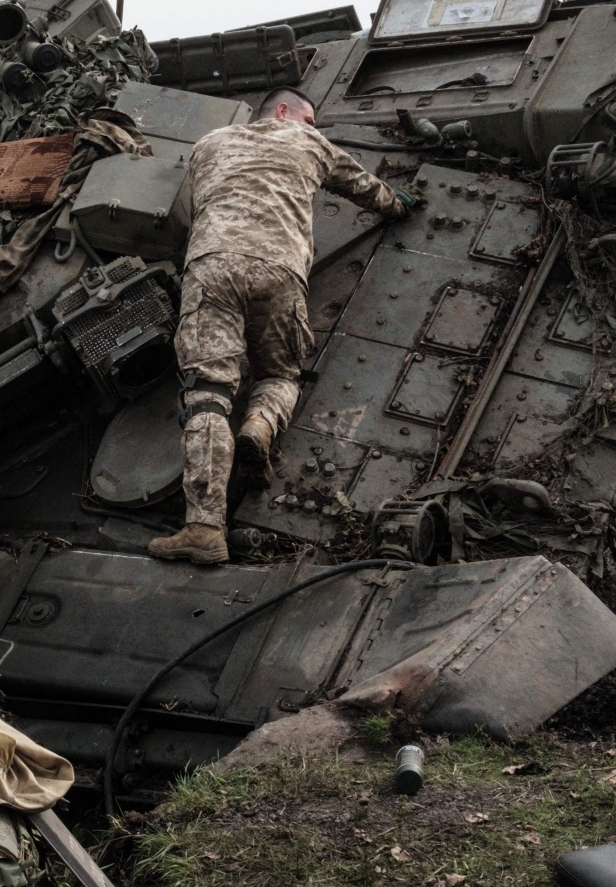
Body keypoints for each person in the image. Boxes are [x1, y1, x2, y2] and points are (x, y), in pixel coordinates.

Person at [148, 88, 419, 565]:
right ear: (283, 112)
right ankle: (260, 424)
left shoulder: (209, 143)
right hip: (279, 270)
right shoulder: (310, 144)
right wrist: (399, 204)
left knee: (207, 391)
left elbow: (186, 210)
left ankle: (204, 529)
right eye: (309, 118)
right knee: (280, 374)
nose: (313, 127)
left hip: (212, 265)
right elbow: (364, 187)